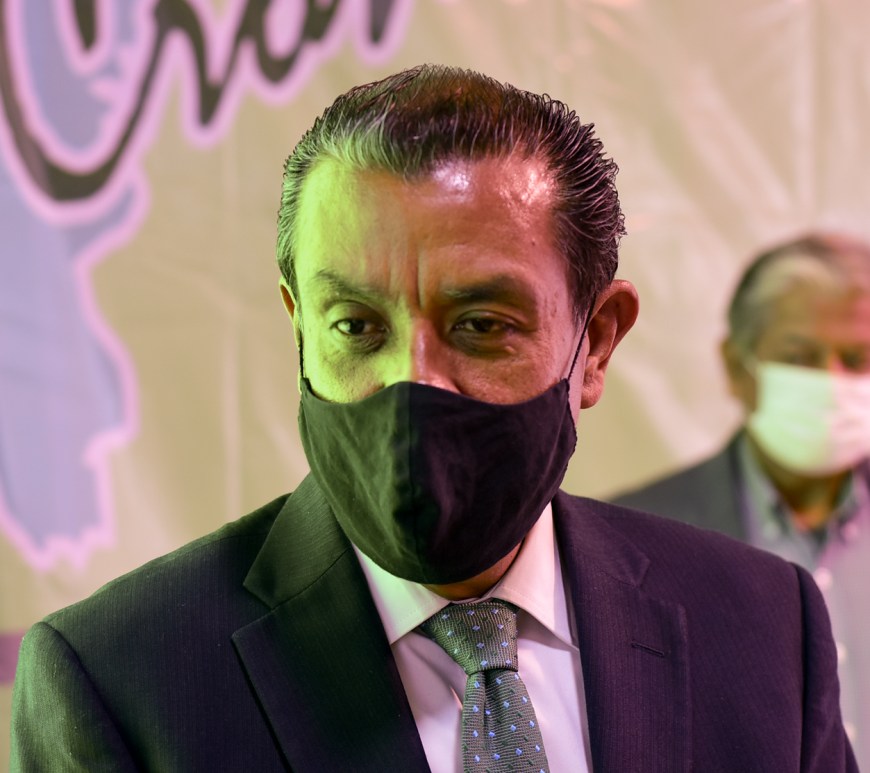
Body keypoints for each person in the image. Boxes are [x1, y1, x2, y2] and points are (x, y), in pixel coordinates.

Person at [10, 66, 856, 772]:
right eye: (356, 328)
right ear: (299, 327)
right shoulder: (121, 681)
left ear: (595, 343)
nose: (411, 383)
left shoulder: (763, 628)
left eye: (480, 324)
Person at [612, 232, 870, 768]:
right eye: (800, 358)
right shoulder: (632, 540)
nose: (832, 383)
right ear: (736, 367)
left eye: (857, 358)